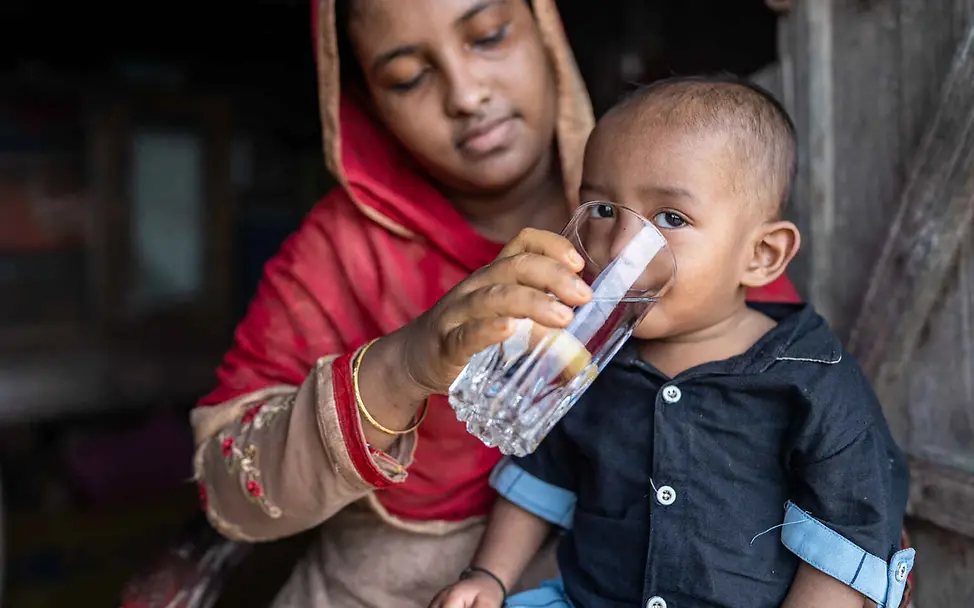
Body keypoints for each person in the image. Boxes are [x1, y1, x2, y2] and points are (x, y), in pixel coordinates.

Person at [189, 1, 802, 607]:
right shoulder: (339, 253)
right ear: (364, 102)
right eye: (408, 78)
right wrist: (405, 364)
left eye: (488, 36)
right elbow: (228, 490)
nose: (465, 93)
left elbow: (798, 459)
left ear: (545, 29)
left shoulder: (689, 227)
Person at [429, 77, 914, 608]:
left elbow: (844, 536)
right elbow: (540, 476)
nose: (620, 247)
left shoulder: (811, 378)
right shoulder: (584, 356)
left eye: (670, 219)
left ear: (763, 255)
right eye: (604, 210)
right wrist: (488, 577)